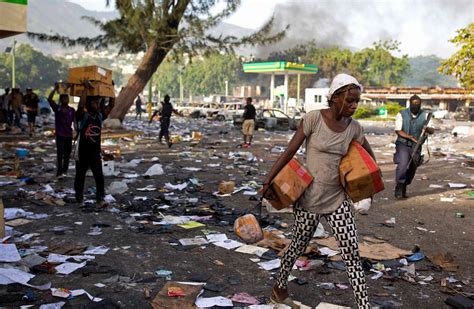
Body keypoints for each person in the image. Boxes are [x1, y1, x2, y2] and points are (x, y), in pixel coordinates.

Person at [261, 74, 375, 309]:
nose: (354, 106)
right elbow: (289, 152)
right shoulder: (313, 119)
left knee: (352, 253)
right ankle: (279, 288)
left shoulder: (354, 128)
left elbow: (369, 159)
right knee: (297, 247)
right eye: (350, 100)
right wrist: (268, 181)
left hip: (337, 200)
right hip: (308, 199)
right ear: (334, 97)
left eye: (357, 101)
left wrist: (365, 185)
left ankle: (364, 306)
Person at [74, 84, 114, 206]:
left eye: (98, 103)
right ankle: (79, 198)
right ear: (88, 104)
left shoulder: (100, 116)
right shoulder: (83, 116)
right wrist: (86, 89)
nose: (96, 105)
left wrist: (111, 88)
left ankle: (100, 199)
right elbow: (80, 105)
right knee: (80, 176)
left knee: (99, 176)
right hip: (82, 151)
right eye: (94, 103)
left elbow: (111, 105)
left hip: (95, 152)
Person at [393, 95, 434, 199]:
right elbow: (398, 130)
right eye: (414, 103)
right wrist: (410, 137)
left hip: (417, 145)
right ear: (410, 103)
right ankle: (399, 187)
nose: (416, 106)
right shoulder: (402, 114)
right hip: (403, 144)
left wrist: (427, 129)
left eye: (418, 104)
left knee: (412, 168)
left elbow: (432, 130)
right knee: (403, 165)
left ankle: (404, 186)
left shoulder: (425, 115)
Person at [48, 83, 76, 177]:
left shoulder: (71, 110)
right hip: (60, 135)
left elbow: (75, 121)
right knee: (60, 154)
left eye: (67, 98)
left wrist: (76, 130)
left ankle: (65, 170)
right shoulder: (57, 109)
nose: (66, 100)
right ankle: (59, 170)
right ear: (61, 100)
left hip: (68, 134)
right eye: (64, 98)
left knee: (67, 154)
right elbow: (49, 99)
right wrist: (54, 89)